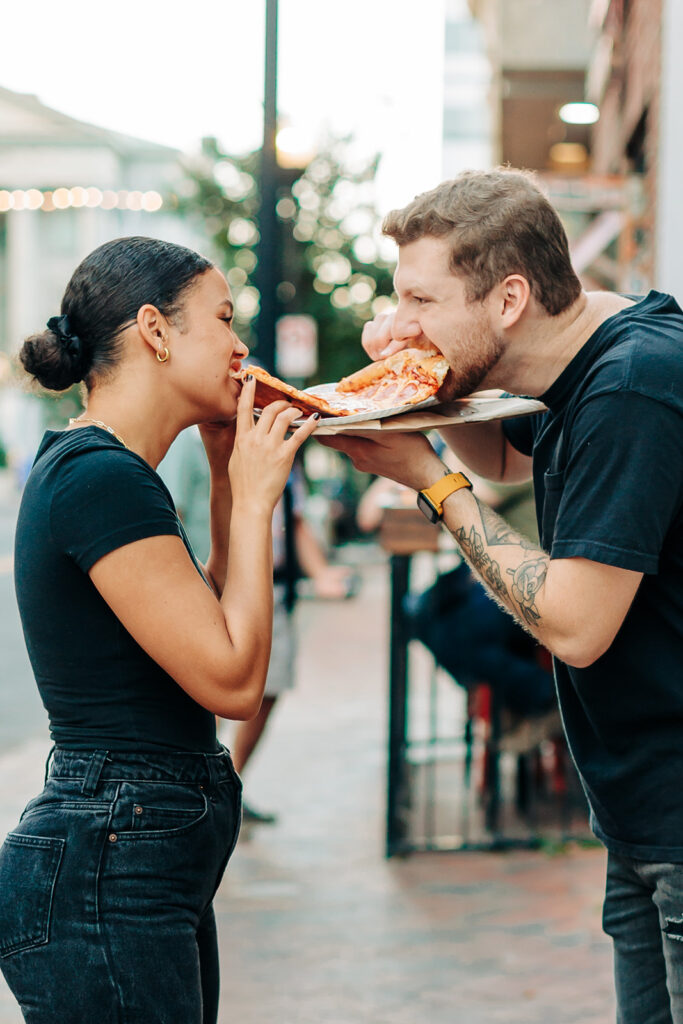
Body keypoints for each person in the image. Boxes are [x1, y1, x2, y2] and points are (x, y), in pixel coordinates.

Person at [321, 168, 683, 1023]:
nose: (397, 322)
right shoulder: (578, 358)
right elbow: (502, 457)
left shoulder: (631, 388)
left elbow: (577, 626)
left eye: (419, 298)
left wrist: (430, 483)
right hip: (640, 809)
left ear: (508, 298)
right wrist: (421, 381)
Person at [0, 236, 318, 1024]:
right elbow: (234, 681)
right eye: (223, 317)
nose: (241, 344)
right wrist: (251, 502)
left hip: (122, 856)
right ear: (155, 329)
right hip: (107, 868)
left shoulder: (109, 471)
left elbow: (210, 628)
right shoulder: (99, 478)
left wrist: (222, 477)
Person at [158, 427, 355, 824]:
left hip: (269, 587)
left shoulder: (275, 446)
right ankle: (195, 787)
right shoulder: (190, 446)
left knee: (268, 686)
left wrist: (321, 573)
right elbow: (171, 515)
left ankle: (225, 784)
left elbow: (293, 519)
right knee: (217, 693)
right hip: (211, 588)